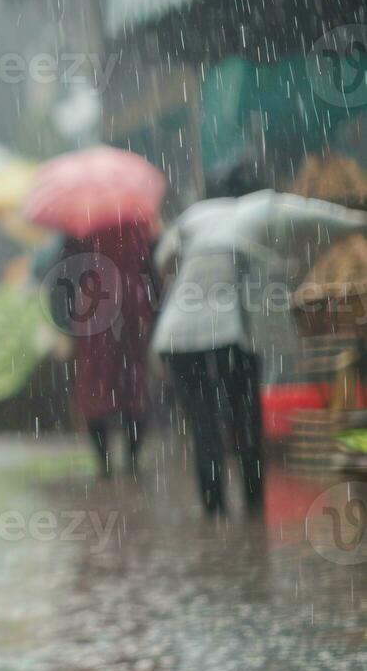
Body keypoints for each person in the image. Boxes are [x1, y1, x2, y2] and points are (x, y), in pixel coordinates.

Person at [153, 172, 367, 515]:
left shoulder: (196, 215)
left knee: (203, 422)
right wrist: (360, 222)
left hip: (176, 334)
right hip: (230, 334)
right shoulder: (264, 207)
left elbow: (163, 258)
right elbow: (320, 216)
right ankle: (253, 506)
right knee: (246, 419)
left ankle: (214, 509)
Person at [47, 221, 158, 479]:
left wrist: (63, 319)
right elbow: (153, 270)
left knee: (95, 387)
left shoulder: (81, 225)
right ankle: (131, 459)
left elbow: (63, 273)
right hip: (133, 309)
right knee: (133, 385)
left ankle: (104, 461)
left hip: (94, 311)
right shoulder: (138, 225)